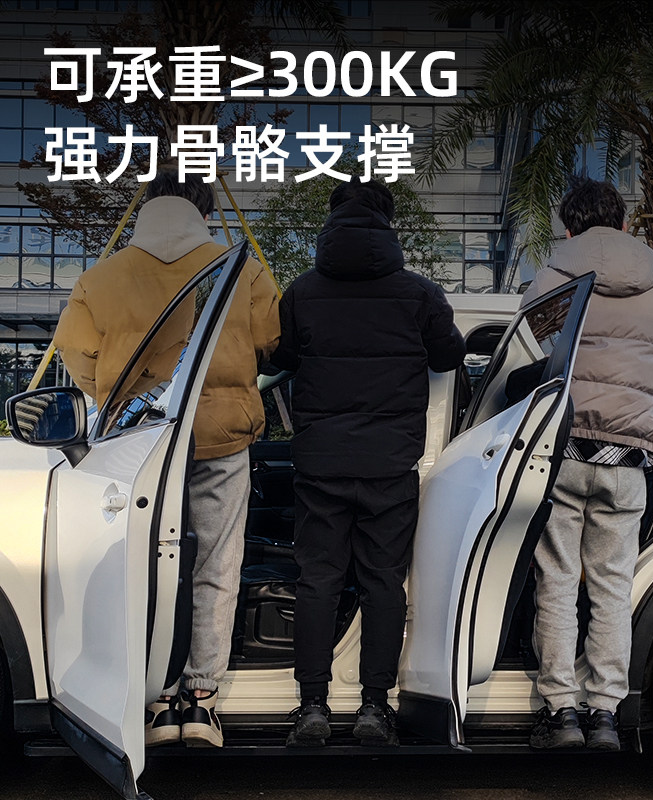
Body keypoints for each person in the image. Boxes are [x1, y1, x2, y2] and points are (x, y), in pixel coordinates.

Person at [53, 166, 280, 748]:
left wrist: (119, 398)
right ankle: (201, 700)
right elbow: (269, 342)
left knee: (142, 565)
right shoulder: (242, 269)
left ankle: (154, 696)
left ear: (147, 207)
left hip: (138, 444)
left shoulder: (101, 278)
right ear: (204, 212)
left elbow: (78, 359)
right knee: (217, 565)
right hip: (223, 438)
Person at [271, 178, 466, 747]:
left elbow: (282, 359)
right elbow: (449, 357)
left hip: (320, 464)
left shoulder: (301, 292)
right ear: (388, 224)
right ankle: (374, 708)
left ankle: (312, 706)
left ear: (332, 223)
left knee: (318, 581)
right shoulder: (419, 293)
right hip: (389, 464)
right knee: (383, 583)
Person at [522, 177, 653, 751]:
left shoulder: (553, 278)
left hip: (565, 450)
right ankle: (604, 714)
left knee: (557, 581)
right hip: (629, 457)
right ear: (623, 223)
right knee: (613, 587)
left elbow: (528, 349)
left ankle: (562, 712)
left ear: (568, 229)